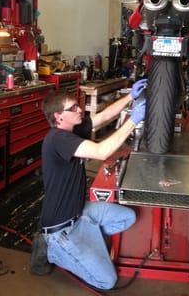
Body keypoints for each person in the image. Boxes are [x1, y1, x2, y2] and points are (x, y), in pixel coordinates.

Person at [37, 79, 147, 290]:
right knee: (107, 281)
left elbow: (104, 117)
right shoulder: (59, 139)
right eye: (74, 108)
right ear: (59, 116)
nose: (81, 109)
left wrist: (131, 97)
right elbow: (101, 152)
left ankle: (86, 241)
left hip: (80, 212)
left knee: (128, 217)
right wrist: (133, 121)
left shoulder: (72, 130)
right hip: (61, 229)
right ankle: (52, 251)